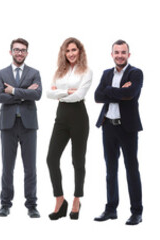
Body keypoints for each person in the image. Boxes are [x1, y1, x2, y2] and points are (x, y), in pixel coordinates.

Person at [92, 39, 144, 226]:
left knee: (131, 170)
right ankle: (111, 209)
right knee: (110, 170)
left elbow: (130, 94)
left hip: (127, 128)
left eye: (123, 52)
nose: (120, 55)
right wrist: (117, 91)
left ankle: (136, 212)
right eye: (117, 52)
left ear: (128, 55)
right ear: (112, 54)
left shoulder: (136, 73)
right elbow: (98, 96)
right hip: (108, 126)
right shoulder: (106, 74)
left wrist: (110, 91)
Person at [44, 37, 93, 221]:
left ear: (79, 51)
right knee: (51, 158)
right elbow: (48, 93)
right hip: (61, 117)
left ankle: (77, 199)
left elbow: (79, 95)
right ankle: (59, 199)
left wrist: (62, 93)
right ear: (64, 53)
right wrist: (68, 92)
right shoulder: (60, 71)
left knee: (77, 161)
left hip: (79, 116)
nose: (71, 53)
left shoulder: (87, 71)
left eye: (74, 50)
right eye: (68, 50)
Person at [0, 38, 42, 219]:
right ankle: (5, 204)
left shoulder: (34, 72)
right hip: (7, 125)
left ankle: (32, 205)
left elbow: (36, 94)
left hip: (29, 125)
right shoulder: (1, 73)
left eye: (23, 50)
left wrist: (13, 91)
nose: (19, 53)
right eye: (16, 50)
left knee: (30, 167)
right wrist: (24, 93)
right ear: (11, 52)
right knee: (7, 167)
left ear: (27, 53)